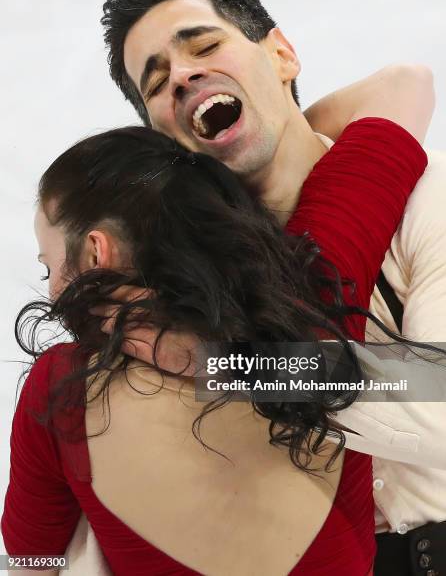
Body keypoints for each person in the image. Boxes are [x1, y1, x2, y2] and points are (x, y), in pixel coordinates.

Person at [100, 0, 446, 573]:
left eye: (205, 46)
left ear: (282, 54)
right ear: (161, 134)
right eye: (156, 83)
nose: (182, 75)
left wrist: (226, 363)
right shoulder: (187, 283)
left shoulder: (430, 193)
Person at [1, 115, 428, 575]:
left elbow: (30, 561)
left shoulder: (61, 387)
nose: (52, 292)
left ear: (95, 252)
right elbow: (406, 89)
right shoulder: (315, 300)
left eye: (51, 267)